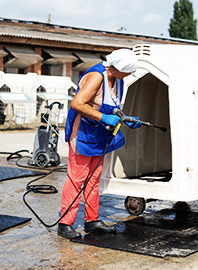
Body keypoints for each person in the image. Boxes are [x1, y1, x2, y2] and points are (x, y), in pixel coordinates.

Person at [58, 49, 141, 239]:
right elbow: (78, 104)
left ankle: (92, 221)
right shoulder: (96, 76)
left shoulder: (117, 80)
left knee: (93, 179)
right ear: (119, 68)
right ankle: (65, 223)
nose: (129, 75)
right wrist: (103, 117)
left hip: (99, 136)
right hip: (84, 135)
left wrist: (125, 118)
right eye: (128, 71)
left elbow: (111, 106)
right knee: (76, 179)